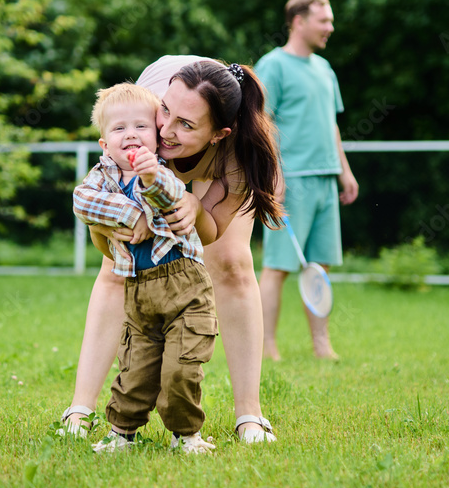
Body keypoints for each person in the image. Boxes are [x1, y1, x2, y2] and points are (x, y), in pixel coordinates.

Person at [61, 57, 284, 443]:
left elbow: (209, 232)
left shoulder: (237, 153)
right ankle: (80, 409)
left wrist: (195, 208)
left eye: (185, 124)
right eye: (164, 112)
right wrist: (119, 226)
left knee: (231, 263)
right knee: (117, 269)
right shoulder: (144, 122)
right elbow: (99, 222)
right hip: (149, 164)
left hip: (212, 161)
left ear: (217, 134)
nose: (164, 130)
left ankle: (250, 414)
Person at [72, 83, 217, 453]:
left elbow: (169, 196)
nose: (131, 135)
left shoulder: (163, 172)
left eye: (141, 126)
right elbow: (82, 201)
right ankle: (121, 434)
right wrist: (128, 213)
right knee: (134, 368)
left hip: (185, 285)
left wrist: (150, 178)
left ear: (157, 136)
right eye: (119, 128)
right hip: (138, 289)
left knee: (181, 367)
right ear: (105, 144)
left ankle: (186, 435)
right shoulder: (102, 178)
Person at [255, 0, 359, 361]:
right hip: (291, 181)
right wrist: (274, 176)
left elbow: (331, 124)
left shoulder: (325, 68)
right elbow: (261, 123)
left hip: (326, 179)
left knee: (320, 267)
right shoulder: (273, 65)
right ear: (299, 22)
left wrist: (344, 171)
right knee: (278, 267)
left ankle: (321, 345)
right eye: (324, 20)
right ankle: (266, 346)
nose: (330, 27)